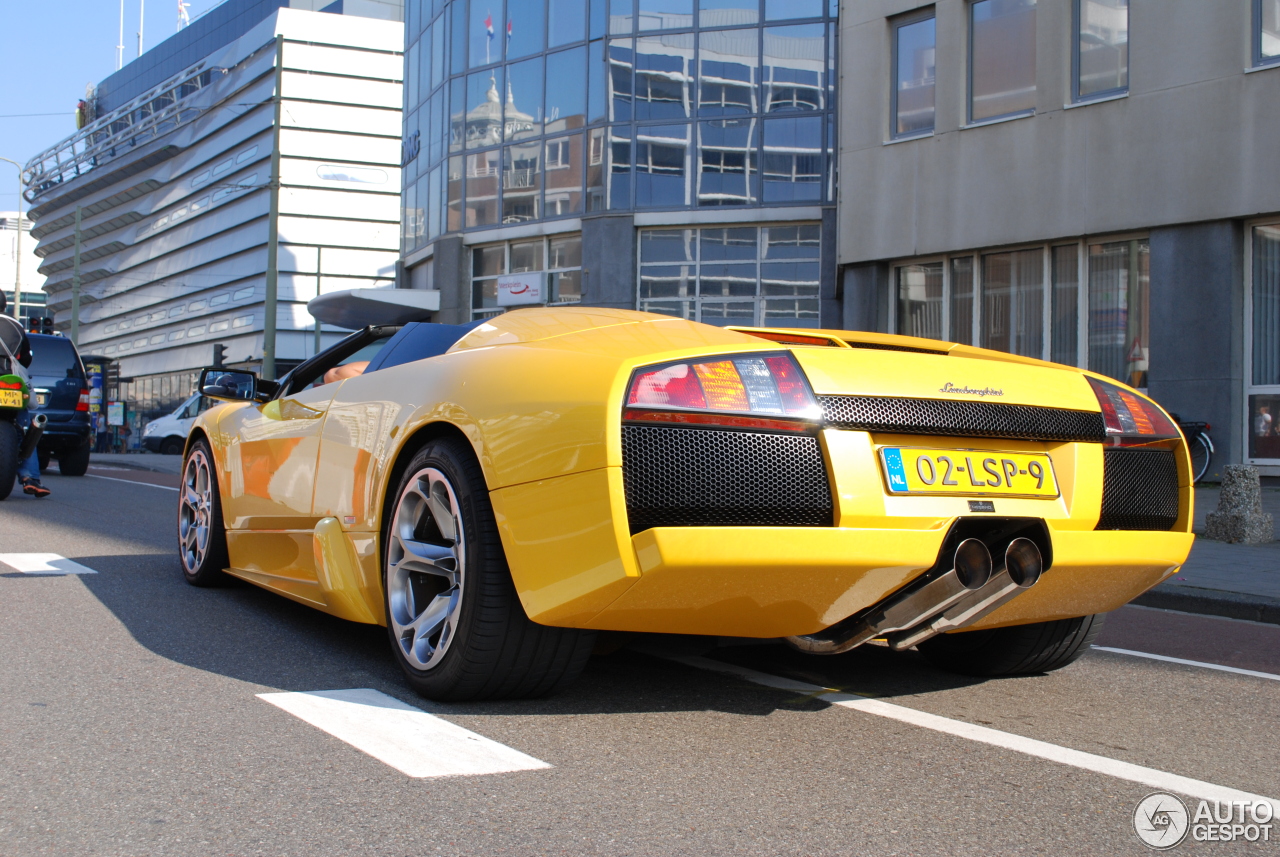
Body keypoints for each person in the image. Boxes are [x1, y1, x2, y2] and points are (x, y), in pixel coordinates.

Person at [0, 295, 50, 497]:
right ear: (4, 304)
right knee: (22, 425)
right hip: (10, 382)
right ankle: (31, 477)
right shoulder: (15, 326)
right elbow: (26, 358)